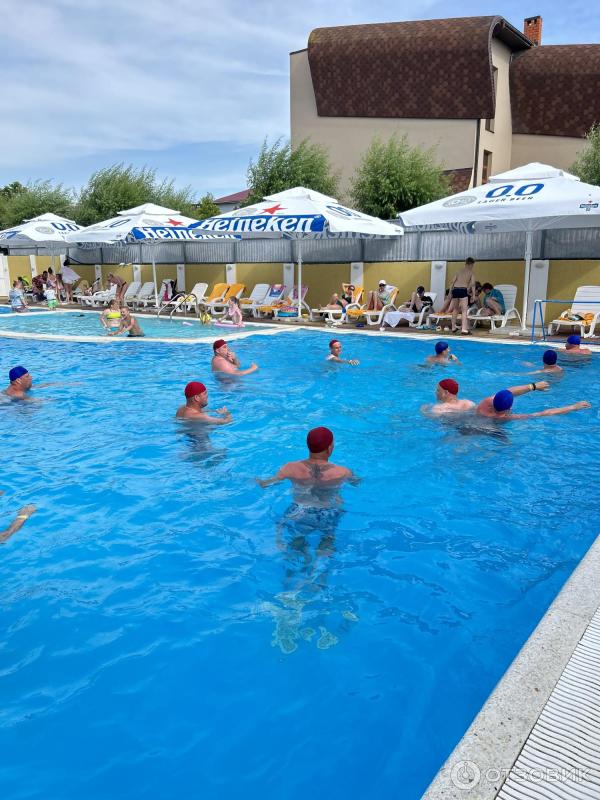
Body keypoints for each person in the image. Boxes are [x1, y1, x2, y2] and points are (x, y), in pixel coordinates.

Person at [257, 427, 359, 490]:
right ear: (329, 448)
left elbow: (265, 484)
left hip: (299, 510)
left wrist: (255, 480)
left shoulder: (289, 468)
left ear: (308, 445)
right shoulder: (343, 472)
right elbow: (356, 483)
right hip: (328, 511)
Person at [477, 381, 590, 420]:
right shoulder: (507, 417)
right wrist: (573, 407)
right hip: (493, 429)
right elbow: (544, 413)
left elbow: (508, 391)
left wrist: (533, 386)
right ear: (509, 407)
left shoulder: (484, 403)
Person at [448, 257, 476, 334]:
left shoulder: (458, 271)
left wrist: (450, 292)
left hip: (455, 290)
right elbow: (473, 284)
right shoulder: (471, 273)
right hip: (463, 290)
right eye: (473, 265)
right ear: (471, 264)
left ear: (465, 263)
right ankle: (464, 329)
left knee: (455, 309)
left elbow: (452, 282)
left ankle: (453, 327)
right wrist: (473, 295)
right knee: (464, 310)